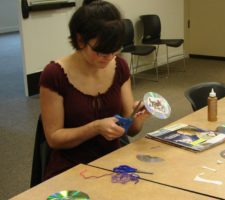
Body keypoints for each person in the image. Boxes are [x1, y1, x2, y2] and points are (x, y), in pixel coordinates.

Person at [39, 0, 150, 180]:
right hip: (70, 168)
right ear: (80, 39)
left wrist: (138, 116)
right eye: (101, 52)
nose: (109, 58)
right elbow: (54, 138)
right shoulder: (54, 74)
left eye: (115, 51)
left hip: (112, 163)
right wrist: (96, 127)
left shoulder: (119, 66)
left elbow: (130, 130)